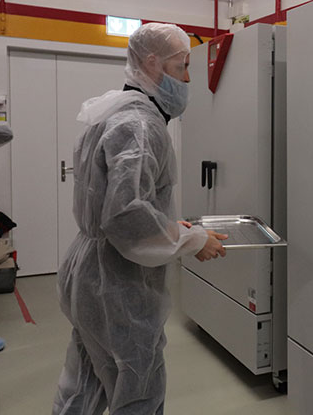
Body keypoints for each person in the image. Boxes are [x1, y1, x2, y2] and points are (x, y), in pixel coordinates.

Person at [53, 23, 227, 414]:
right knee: (138, 387)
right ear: (153, 63)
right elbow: (125, 214)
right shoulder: (141, 124)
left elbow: (118, 204)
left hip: (87, 272)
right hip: (117, 282)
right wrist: (192, 242)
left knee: (86, 383)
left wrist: (169, 227)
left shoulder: (111, 111)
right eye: (182, 67)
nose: (186, 79)